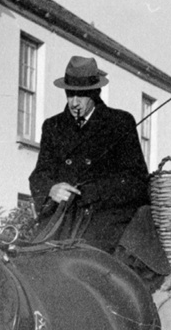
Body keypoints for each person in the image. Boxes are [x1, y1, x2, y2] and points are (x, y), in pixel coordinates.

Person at [29, 56, 153, 255]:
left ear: (95, 93)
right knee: (32, 259)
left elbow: (136, 181)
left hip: (103, 219)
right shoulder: (53, 127)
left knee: (85, 263)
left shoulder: (120, 123)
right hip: (63, 217)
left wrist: (93, 192)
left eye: (81, 95)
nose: (74, 103)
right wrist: (52, 189)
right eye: (70, 94)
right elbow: (39, 175)